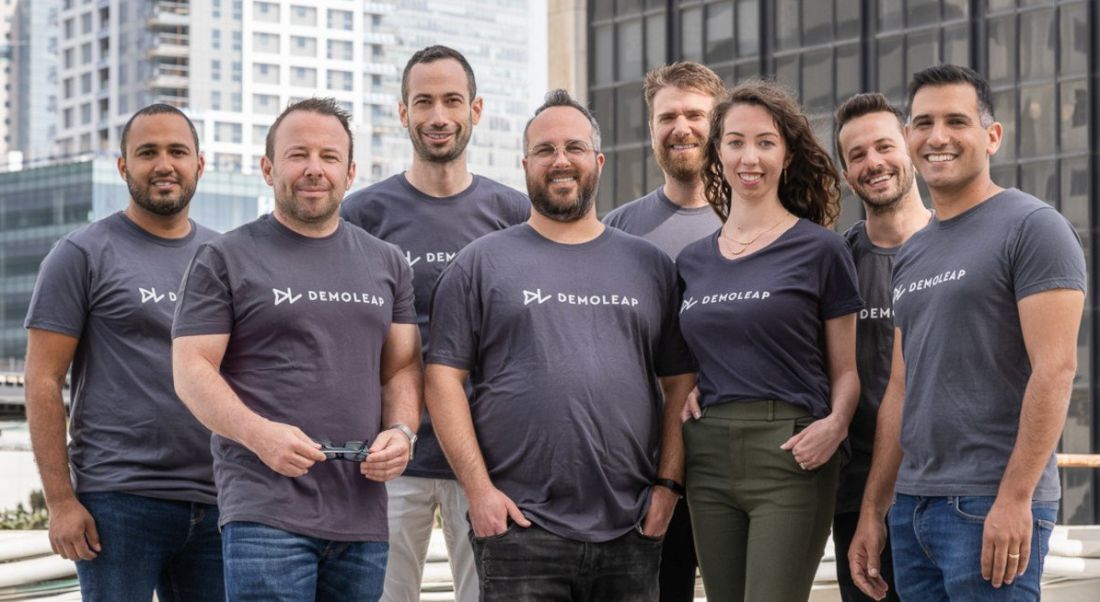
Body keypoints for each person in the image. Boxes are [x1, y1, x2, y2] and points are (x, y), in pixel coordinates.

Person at [425, 89, 696, 601]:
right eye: (545, 150)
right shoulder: (479, 264)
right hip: (519, 531)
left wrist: (667, 490)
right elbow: (442, 380)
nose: (560, 161)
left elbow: (681, 383)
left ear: (597, 160)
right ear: (525, 164)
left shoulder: (650, 266)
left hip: (631, 529)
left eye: (573, 147)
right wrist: (479, 494)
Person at [849, 65, 1086, 602]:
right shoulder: (912, 252)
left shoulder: (1034, 227)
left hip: (988, 506)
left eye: (956, 121)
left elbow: (1056, 369)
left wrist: (1015, 498)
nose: (937, 137)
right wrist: (874, 510)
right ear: (909, 139)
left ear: (992, 136)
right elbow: (901, 390)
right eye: (923, 123)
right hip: (913, 508)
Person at [171, 98, 422, 601]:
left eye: (329, 157)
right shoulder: (224, 256)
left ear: (350, 172)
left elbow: (401, 369)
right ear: (267, 168)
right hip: (266, 514)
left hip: (362, 516)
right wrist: (259, 435)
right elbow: (191, 370)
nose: (314, 169)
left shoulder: (388, 263)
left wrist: (402, 432)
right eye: (297, 155)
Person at [341, 45, 528, 602]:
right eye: (424, 102)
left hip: (488, 459)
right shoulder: (362, 214)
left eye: (452, 101)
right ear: (403, 113)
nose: (438, 116)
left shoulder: (514, 213)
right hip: (391, 456)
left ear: (476, 109)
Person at [23, 104, 222, 601]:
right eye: (147, 152)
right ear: (122, 166)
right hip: (118, 501)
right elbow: (42, 381)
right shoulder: (82, 254)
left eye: (178, 151)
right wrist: (61, 501)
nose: (164, 165)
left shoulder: (226, 258)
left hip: (220, 500)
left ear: (200, 163)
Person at [676, 79, 861, 600]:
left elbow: (845, 370)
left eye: (765, 141)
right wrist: (693, 385)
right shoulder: (692, 261)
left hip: (791, 452)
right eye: (735, 141)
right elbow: (693, 357)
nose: (749, 156)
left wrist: (836, 426)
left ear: (786, 153)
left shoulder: (820, 249)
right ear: (717, 151)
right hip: (708, 454)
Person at [601, 60, 723, 602]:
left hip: (737, 457)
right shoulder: (619, 230)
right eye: (667, 116)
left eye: (696, 114)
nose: (682, 127)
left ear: (718, 123)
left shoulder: (758, 219)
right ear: (650, 129)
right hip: (647, 465)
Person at [832, 92, 932, 602]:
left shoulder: (956, 246)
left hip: (944, 494)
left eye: (884, 146)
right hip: (858, 499)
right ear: (848, 175)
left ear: (910, 148)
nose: (873, 163)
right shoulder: (838, 263)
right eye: (857, 155)